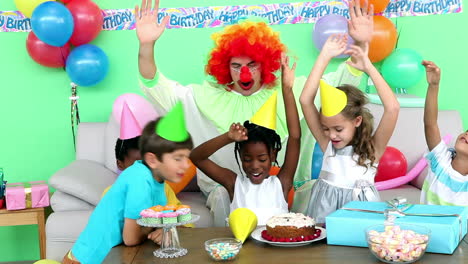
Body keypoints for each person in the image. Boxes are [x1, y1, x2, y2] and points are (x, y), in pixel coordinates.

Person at [135, 0, 372, 226]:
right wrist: (146, 45)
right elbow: (156, 84)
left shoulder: (288, 88)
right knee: (220, 196)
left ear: (264, 65)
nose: (244, 74)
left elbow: (339, 82)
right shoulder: (203, 97)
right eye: (236, 66)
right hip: (227, 186)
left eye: (252, 65)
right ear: (226, 68)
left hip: (282, 185)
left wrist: (360, 44)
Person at [62, 102, 193, 264]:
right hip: (86, 260)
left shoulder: (157, 182)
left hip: (116, 255)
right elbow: (131, 238)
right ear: (152, 160)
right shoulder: (140, 180)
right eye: (178, 158)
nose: (186, 165)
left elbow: (154, 222)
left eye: (187, 157)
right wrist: (150, 230)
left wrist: (159, 229)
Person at [300, 32, 400, 223]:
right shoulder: (327, 144)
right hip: (324, 214)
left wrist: (368, 67)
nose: (331, 135)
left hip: (362, 214)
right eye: (326, 128)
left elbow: (393, 108)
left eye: (338, 129)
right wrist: (325, 56)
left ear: (357, 121)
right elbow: (305, 100)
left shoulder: (373, 150)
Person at [189, 56, 300, 225]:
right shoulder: (234, 184)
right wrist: (228, 137)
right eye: (247, 159)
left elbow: (294, 136)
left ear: (273, 155)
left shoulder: (282, 183)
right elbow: (196, 157)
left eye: (262, 159)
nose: (254, 165)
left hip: (277, 250)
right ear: (240, 156)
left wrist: (287, 90)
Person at [420, 60, 468, 206]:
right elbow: (430, 124)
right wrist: (433, 86)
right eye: (467, 131)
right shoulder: (441, 160)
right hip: (425, 226)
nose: (467, 135)